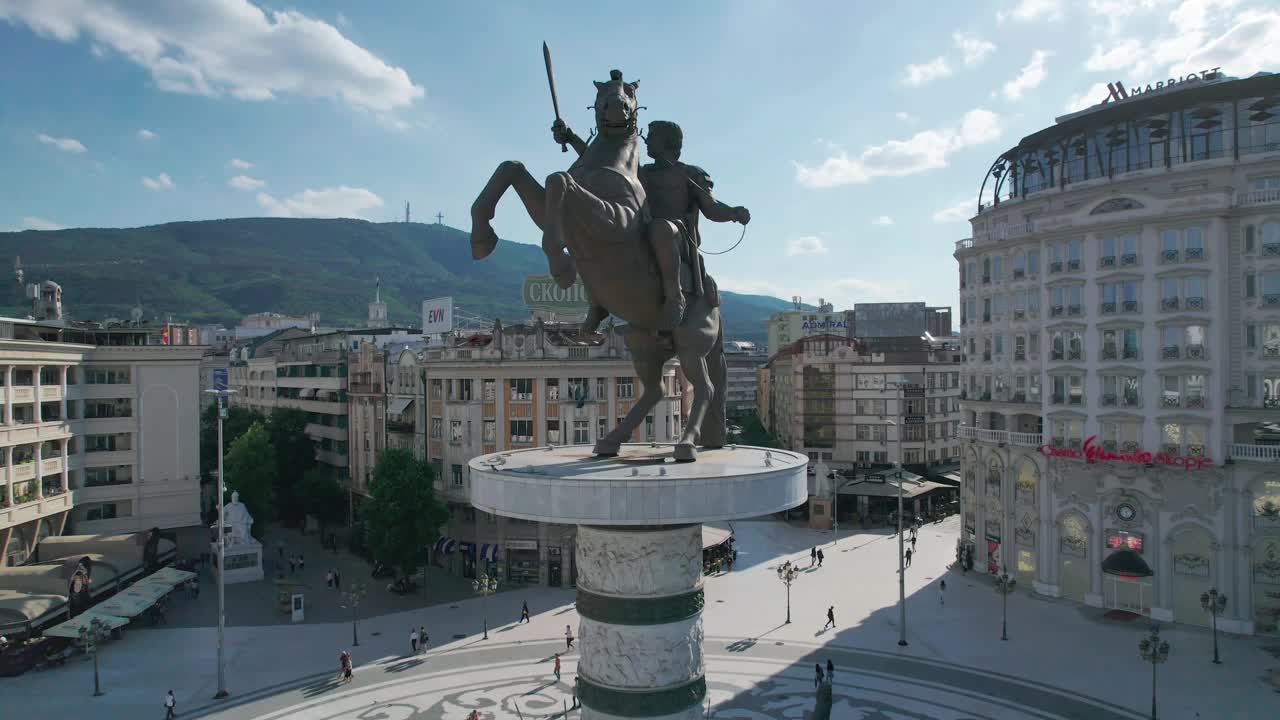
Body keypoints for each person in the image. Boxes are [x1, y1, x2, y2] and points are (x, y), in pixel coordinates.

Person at [553, 117, 751, 332]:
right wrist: (571, 138)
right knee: (594, 234)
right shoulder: (642, 173)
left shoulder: (690, 173)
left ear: (667, 141)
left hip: (677, 235)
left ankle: (674, 297)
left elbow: (711, 207)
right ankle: (597, 303)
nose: (645, 141)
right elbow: (601, 160)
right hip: (642, 230)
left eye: (652, 136)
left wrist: (733, 213)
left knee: (660, 228)